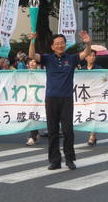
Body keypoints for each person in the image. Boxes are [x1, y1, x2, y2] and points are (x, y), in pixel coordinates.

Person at [29, 31, 92, 170]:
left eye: (62, 43)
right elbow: (32, 55)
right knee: (52, 131)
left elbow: (86, 53)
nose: (59, 45)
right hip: (51, 98)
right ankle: (54, 161)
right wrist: (32, 41)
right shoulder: (47, 58)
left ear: (65, 44)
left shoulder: (71, 58)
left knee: (68, 130)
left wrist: (88, 43)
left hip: (67, 98)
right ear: (52, 46)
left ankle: (69, 159)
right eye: (56, 43)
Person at [81, 49, 102, 146]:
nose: (92, 57)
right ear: (85, 57)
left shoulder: (99, 69)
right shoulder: (81, 70)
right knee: (87, 116)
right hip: (85, 96)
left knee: (94, 115)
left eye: (94, 55)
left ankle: (92, 135)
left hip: (96, 96)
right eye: (90, 55)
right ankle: (92, 134)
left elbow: (104, 79)